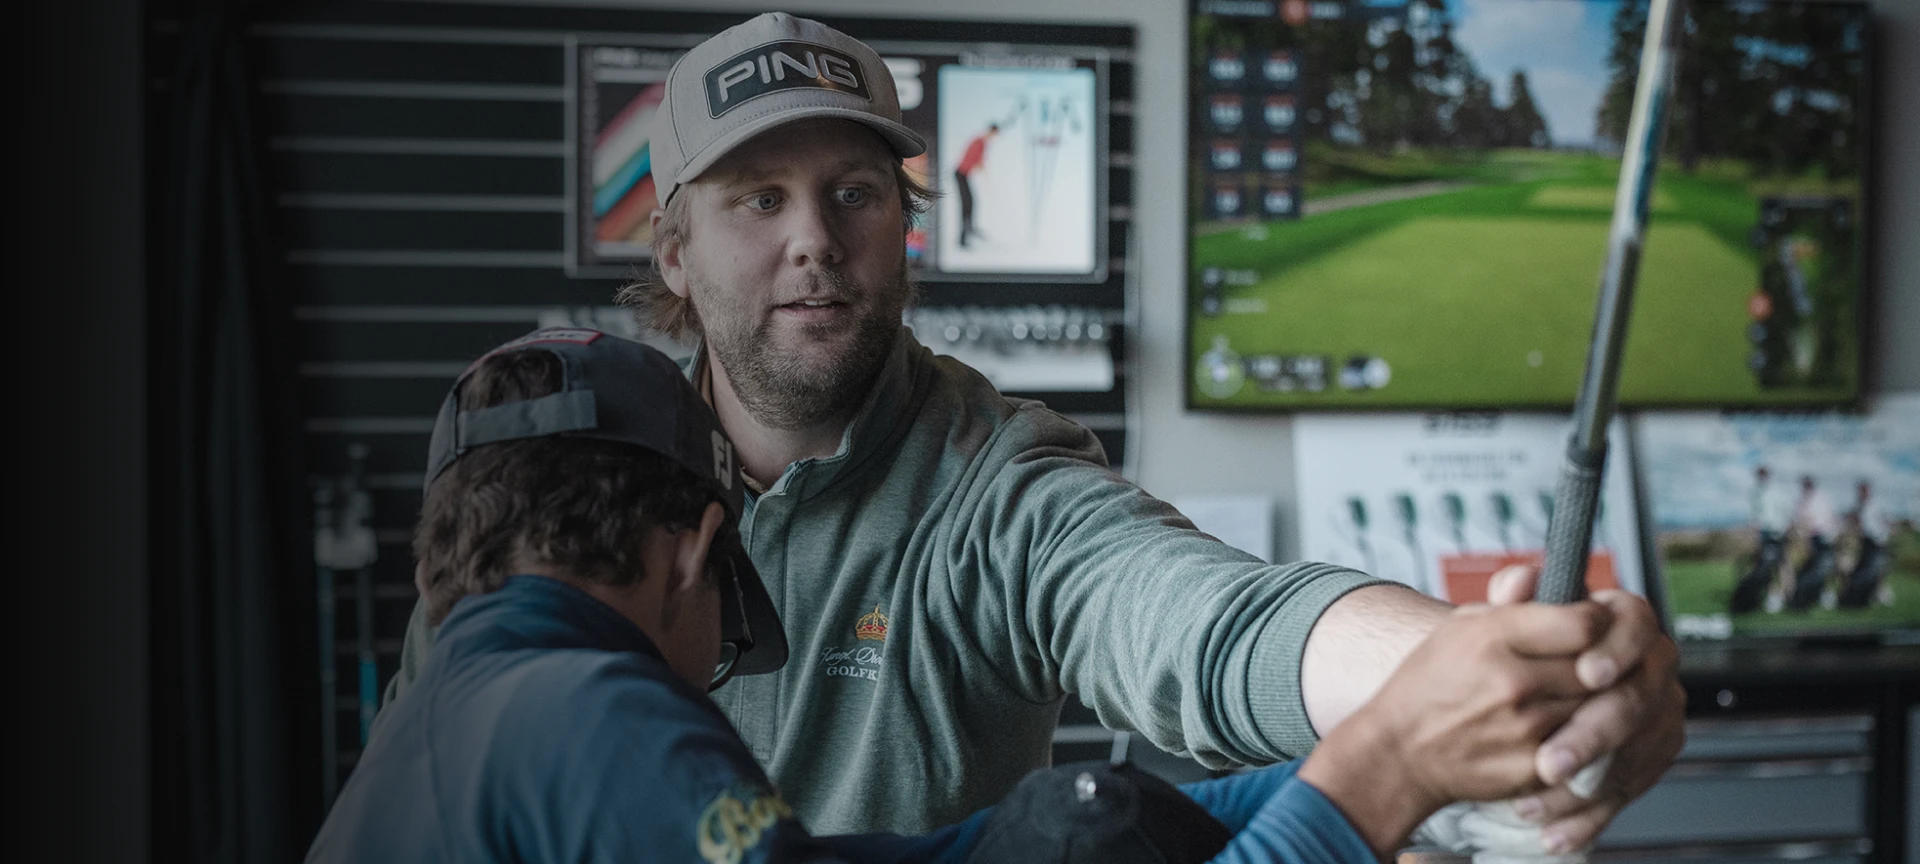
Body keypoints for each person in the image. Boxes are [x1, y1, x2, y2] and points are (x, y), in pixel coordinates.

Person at [385, 11, 1684, 854]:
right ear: (671, 245)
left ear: (909, 225)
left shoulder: (998, 478)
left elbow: (1205, 623)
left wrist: (1475, 674)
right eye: (756, 198)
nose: (812, 241)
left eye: (852, 192)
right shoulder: (573, 503)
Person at [310, 327, 1639, 863]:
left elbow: (1181, 611)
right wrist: (1391, 774)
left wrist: (1348, 748)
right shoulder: (592, 712)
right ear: (691, 548)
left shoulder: (422, 745)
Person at [1731, 465, 1792, 614]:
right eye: (1760, 474)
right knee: (1765, 566)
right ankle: (1772, 596)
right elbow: (1755, 515)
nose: (1762, 477)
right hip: (1765, 535)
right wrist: (1754, 531)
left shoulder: (1778, 492)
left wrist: (1785, 528)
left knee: (1782, 565)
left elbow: (1786, 511)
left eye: (1764, 474)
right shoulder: (1755, 492)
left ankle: (1788, 595)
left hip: (1780, 533)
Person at [1786, 474, 1841, 610]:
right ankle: (1809, 596)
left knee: (1824, 569)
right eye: (1804, 484)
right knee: (1812, 570)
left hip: (1825, 539)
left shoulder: (1822, 499)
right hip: (1811, 541)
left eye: (1808, 484)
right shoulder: (1800, 502)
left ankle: (1825, 594)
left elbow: (1830, 518)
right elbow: (1801, 522)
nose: (1806, 487)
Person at [1838, 480, 1892, 609]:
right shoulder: (1859, 506)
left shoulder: (1875, 505)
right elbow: (1853, 518)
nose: (1862, 493)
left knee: (1874, 571)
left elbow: (1884, 522)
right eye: (1861, 490)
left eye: (1864, 490)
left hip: (1877, 542)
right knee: (1866, 571)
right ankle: (1861, 597)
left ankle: (1876, 595)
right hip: (1866, 543)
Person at [953, 122, 998, 249]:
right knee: (966, 205)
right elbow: (970, 159)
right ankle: (963, 238)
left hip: (965, 175)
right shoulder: (980, 142)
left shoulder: (982, 142)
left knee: (971, 203)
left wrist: (980, 164)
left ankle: (970, 229)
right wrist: (979, 165)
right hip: (960, 175)